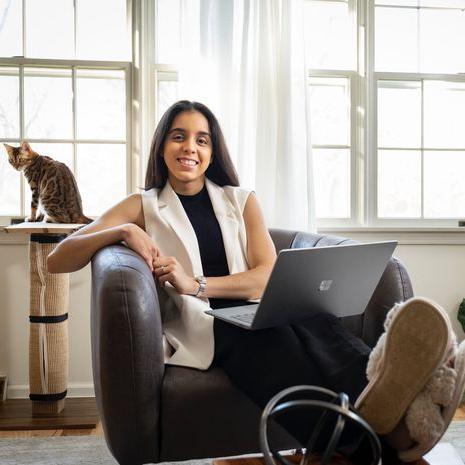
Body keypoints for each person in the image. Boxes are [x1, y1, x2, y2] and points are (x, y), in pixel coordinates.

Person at [47, 100, 465, 463]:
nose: (190, 147)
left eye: (201, 139)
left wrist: (196, 283)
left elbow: (266, 276)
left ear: (212, 151)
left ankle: (387, 390)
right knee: (272, 344)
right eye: (178, 136)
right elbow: (58, 258)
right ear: (162, 146)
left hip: (248, 304)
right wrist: (123, 231)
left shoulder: (240, 200)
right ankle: (381, 442)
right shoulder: (143, 205)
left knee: (315, 320)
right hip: (208, 325)